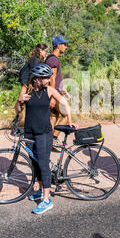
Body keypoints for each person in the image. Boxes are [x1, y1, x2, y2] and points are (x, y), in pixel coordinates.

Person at [15, 63, 78, 214]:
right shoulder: (27, 90)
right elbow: (17, 110)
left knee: (43, 164)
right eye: (45, 79)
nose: (48, 81)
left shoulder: (49, 90)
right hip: (29, 132)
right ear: (37, 79)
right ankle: (41, 190)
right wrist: (19, 101)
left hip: (44, 132)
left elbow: (65, 103)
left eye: (49, 78)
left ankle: (46, 200)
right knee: (35, 163)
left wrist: (69, 120)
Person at [46, 36, 72, 139]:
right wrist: (52, 97)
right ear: (58, 45)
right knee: (66, 115)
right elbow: (52, 79)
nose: (66, 47)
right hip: (54, 94)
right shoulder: (53, 60)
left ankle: (49, 141)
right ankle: (54, 138)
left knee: (54, 116)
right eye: (64, 44)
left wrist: (64, 90)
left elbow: (56, 79)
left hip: (55, 92)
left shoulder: (51, 58)